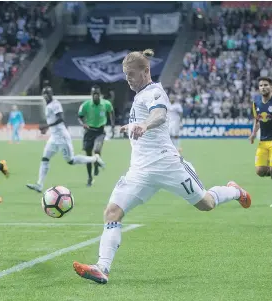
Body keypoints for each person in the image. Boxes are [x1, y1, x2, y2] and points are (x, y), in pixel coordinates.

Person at [72, 49, 251, 284]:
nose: (128, 80)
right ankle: (102, 267)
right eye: (126, 75)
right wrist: (132, 127)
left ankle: (235, 191)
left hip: (168, 165)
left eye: (131, 75)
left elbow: (159, 115)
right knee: (112, 212)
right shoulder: (138, 96)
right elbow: (144, 120)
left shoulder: (155, 92)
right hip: (140, 171)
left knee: (206, 204)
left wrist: (145, 125)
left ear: (146, 71)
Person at [26, 86, 106, 192]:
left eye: (48, 94)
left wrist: (46, 126)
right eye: (44, 94)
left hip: (62, 137)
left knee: (71, 160)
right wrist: (48, 128)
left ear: (51, 94)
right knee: (45, 159)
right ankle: (39, 184)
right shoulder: (48, 105)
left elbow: (60, 118)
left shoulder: (55, 104)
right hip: (54, 137)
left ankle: (95, 159)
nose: (46, 96)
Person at [78, 85, 115, 186]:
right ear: (91, 94)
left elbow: (111, 112)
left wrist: (112, 126)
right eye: (93, 94)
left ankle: (96, 165)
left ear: (100, 94)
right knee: (88, 155)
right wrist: (83, 124)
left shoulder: (106, 104)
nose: (95, 96)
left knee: (97, 150)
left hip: (100, 131)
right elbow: (80, 116)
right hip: (89, 132)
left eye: (97, 94)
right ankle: (89, 177)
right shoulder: (86, 105)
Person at [249, 77, 272, 178]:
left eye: (266, 85)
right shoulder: (256, 104)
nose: (263, 87)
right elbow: (257, 120)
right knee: (260, 171)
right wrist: (253, 133)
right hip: (263, 142)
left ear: (271, 87)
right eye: (261, 85)